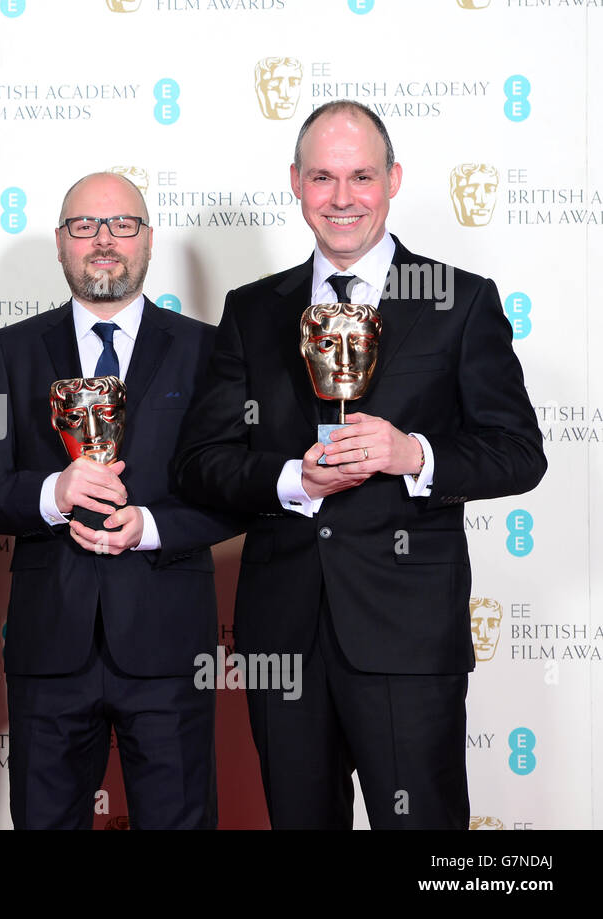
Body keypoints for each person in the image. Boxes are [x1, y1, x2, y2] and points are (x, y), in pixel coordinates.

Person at [174, 100, 546, 829]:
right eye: (322, 177)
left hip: (408, 636)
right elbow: (199, 463)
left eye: (361, 176)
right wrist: (293, 479)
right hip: (285, 636)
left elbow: (519, 450)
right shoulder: (253, 310)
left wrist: (414, 454)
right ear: (295, 183)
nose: (342, 198)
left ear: (393, 179)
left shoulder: (459, 301)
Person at [0, 172, 239, 830]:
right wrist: (51, 494)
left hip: (171, 651)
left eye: (122, 225)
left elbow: (235, 492)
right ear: (61, 243)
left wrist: (149, 526)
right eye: (85, 226)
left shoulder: (207, 350)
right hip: (47, 650)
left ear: (148, 240)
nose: (104, 241)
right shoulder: (10, 350)